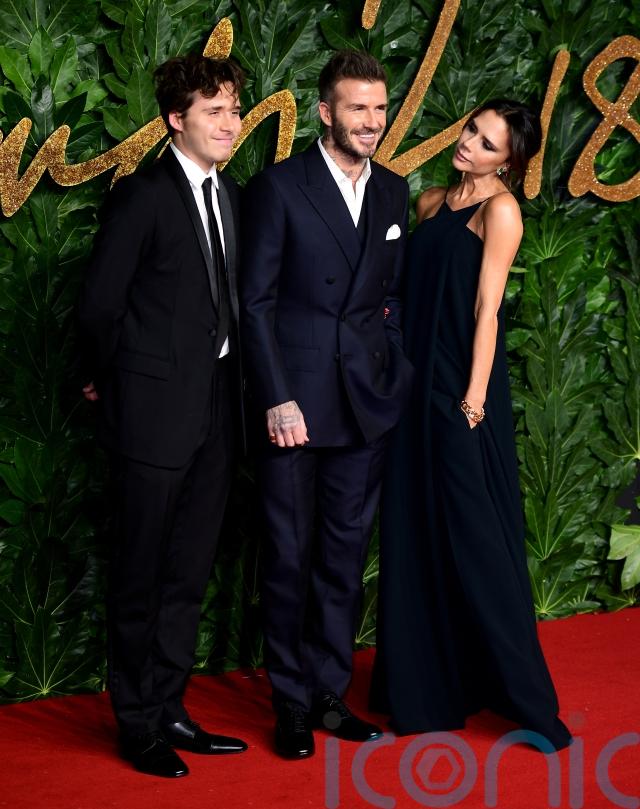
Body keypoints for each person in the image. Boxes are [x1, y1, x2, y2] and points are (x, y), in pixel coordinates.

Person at [370, 99, 572, 752]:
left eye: (488, 144)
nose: (470, 144)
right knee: (414, 528)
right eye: (471, 130)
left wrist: (474, 400)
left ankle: (532, 703)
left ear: (508, 162)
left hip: (462, 389)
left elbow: (488, 310)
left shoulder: (501, 211)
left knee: (476, 537)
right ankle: (428, 687)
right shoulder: (429, 203)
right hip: (412, 384)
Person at [77, 54, 248, 778]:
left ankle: (170, 705)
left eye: (234, 110)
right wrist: (103, 381)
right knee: (140, 573)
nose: (230, 124)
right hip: (151, 415)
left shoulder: (229, 193)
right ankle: (137, 721)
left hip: (217, 409)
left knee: (187, 570)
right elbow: (99, 304)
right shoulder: (142, 195)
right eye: (214, 111)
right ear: (176, 119)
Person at [241, 50, 413, 759]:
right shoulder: (279, 186)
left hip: (366, 404)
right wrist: (276, 396)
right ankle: (289, 700)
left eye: (379, 108)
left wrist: (392, 366)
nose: (371, 121)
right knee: (288, 556)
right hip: (296, 408)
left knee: (343, 558)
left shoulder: (395, 189)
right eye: (357, 108)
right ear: (325, 112)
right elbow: (254, 302)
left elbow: (391, 295)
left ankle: (328, 693)